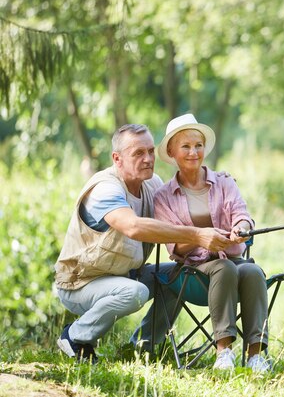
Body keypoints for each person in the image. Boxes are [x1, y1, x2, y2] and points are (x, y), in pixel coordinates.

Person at [54, 123, 234, 363]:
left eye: (150, 151)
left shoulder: (152, 184)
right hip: (82, 282)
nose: (148, 159)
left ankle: (142, 347)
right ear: (117, 159)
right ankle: (76, 337)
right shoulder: (105, 189)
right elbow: (133, 226)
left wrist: (221, 185)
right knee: (136, 292)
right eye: (138, 153)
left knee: (181, 275)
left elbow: (184, 204)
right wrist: (198, 235)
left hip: (125, 275)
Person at [152, 113, 270, 372]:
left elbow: (242, 215)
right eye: (186, 146)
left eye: (198, 145)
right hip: (192, 272)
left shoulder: (225, 182)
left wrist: (242, 228)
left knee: (252, 270)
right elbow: (174, 246)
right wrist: (203, 239)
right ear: (172, 151)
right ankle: (223, 352)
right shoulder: (163, 197)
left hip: (234, 261)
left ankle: (256, 355)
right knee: (224, 268)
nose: (194, 152)